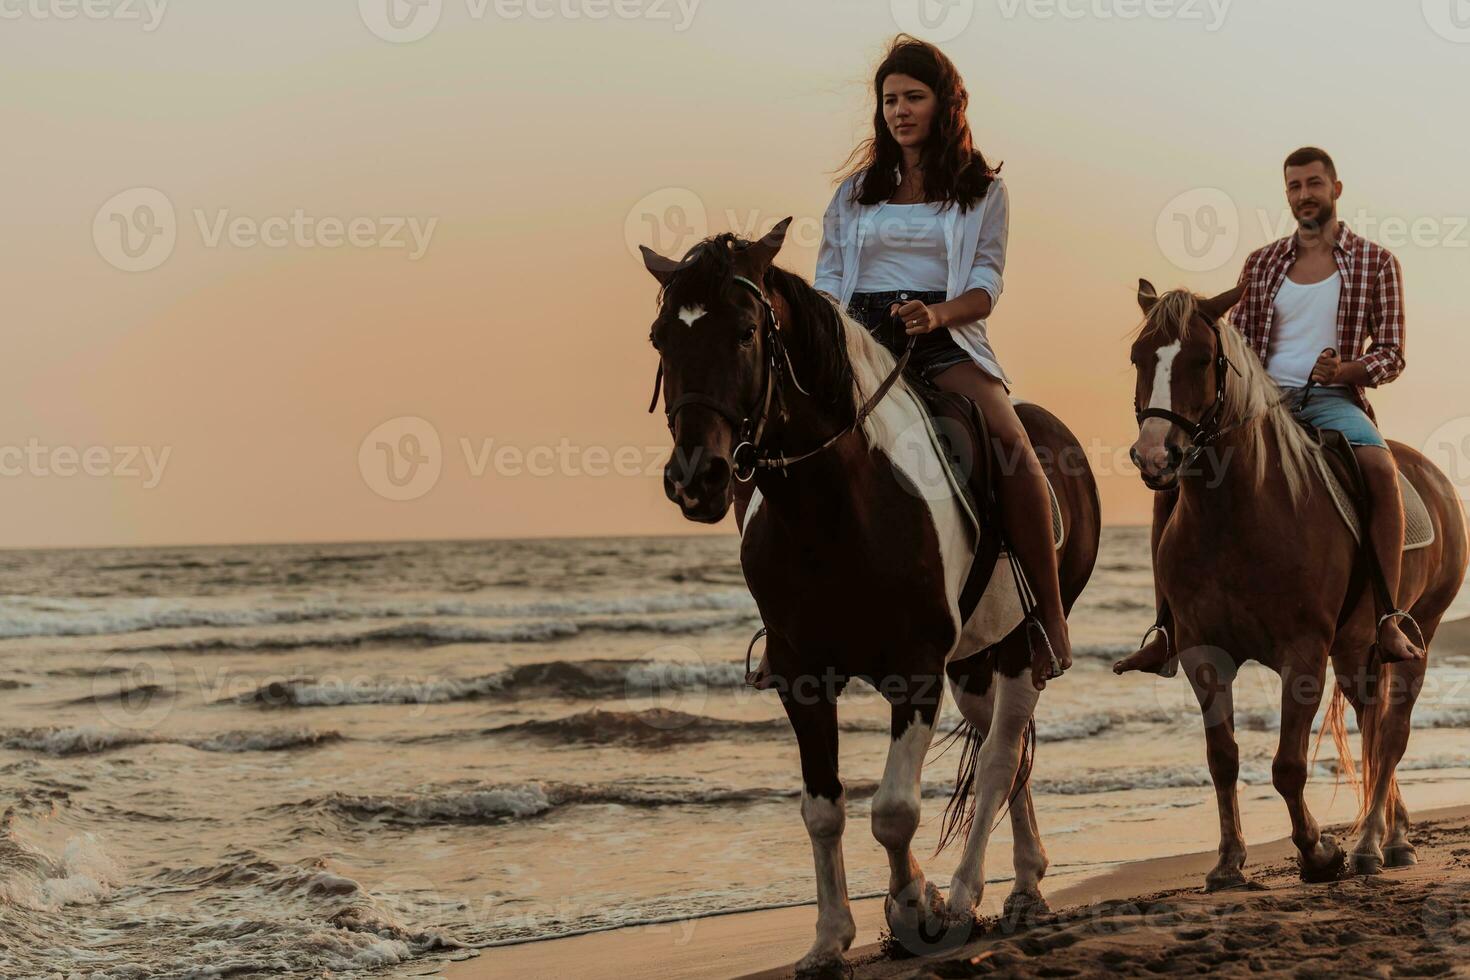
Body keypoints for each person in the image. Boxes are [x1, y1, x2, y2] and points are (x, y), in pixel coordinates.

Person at [751, 35, 1071, 691]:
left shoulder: (984, 191)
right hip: (857, 338)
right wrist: (837, 341)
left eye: (913, 98)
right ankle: (780, 625)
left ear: (944, 103)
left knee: (1010, 443)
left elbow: (987, 285)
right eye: (890, 99)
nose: (899, 110)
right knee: (770, 436)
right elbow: (829, 283)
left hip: (944, 337)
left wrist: (937, 315)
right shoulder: (854, 193)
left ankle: (1048, 617)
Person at [1117, 146, 1420, 675]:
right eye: (1295, 186)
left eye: (1314, 184)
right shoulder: (1261, 264)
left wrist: (1344, 372)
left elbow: (1392, 354)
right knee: (1176, 477)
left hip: (1332, 401)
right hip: (1259, 405)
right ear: (1288, 194)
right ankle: (1167, 627)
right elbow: (1239, 347)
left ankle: (1388, 617)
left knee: (1378, 469)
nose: (1305, 195)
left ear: (1336, 190)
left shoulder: (1376, 263)